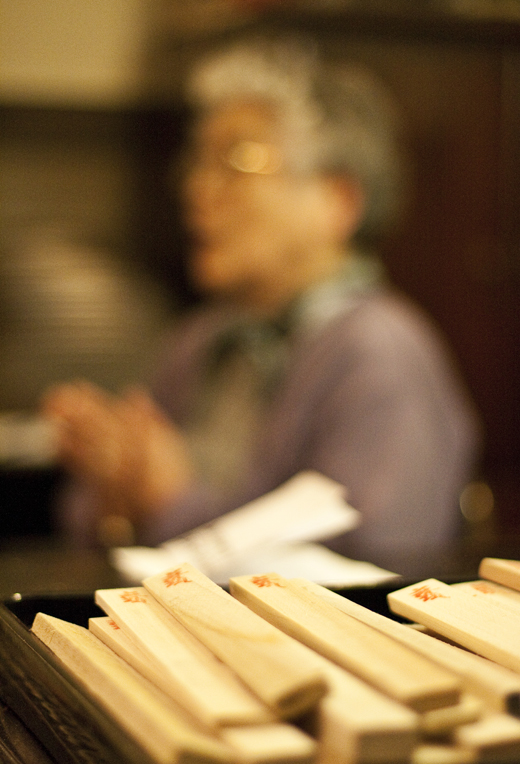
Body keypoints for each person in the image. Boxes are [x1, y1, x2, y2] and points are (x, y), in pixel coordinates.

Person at [42, 33, 481, 577]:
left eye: (237, 160)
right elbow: (94, 530)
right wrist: (115, 488)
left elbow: (364, 579)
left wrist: (169, 501)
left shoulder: (380, 352)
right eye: (198, 163)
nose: (198, 190)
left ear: (337, 201)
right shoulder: (200, 338)